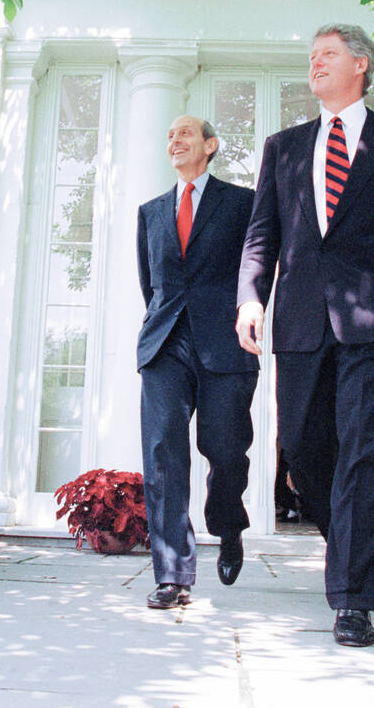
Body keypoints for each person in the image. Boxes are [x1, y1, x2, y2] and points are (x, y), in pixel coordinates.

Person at [235, 24, 374, 646]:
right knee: (302, 446)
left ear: (361, 63)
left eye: (327, 54)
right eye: (310, 57)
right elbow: (261, 234)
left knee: (362, 449)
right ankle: (353, 545)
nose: (315, 64)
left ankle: (353, 598)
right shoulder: (284, 146)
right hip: (300, 320)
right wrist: (251, 297)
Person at [137, 115, 259, 610]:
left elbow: (256, 265)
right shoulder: (151, 212)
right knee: (164, 452)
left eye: (185, 133)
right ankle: (172, 573)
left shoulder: (242, 203)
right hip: (165, 343)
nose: (175, 140)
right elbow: (151, 285)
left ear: (211, 144)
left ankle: (228, 524)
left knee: (225, 449)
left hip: (225, 342)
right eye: (169, 135)